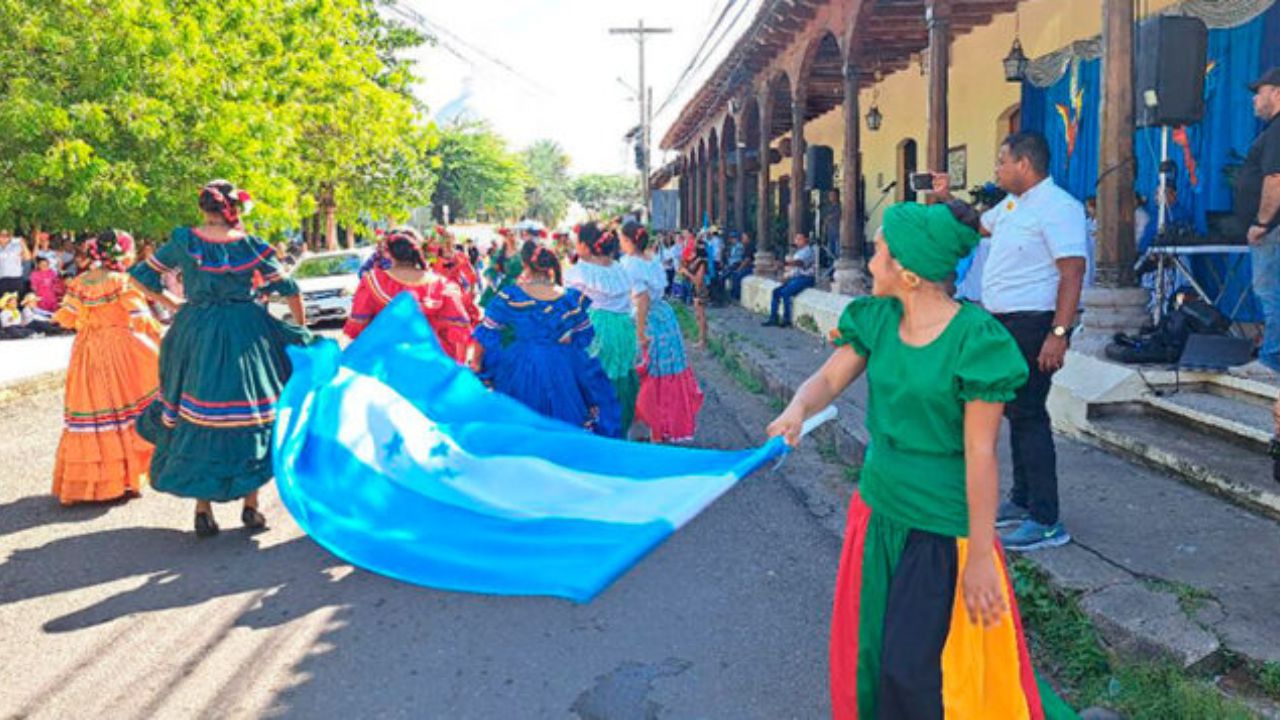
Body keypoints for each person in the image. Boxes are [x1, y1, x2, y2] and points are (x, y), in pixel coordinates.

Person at [766, 200, 1069, 719]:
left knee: (921, 674)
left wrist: (978, 558)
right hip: (880, 512)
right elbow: (830, 378)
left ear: (907, 272)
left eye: (880, 251)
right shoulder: (880, 320)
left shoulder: (976, 341)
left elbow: (980, 454)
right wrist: (797, 407)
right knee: (875, 656)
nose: (870, 260)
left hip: (941, 529)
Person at [130, 180, 310, 538]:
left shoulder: (184, 240)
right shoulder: (251, 246)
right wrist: (299, 334)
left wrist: (172, 304)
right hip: (245, 331)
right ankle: (251, 507)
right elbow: (290, 289)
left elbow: (140, 276)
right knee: (249, 415)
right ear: (234, 209)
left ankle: (202, 509)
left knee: (199, 414)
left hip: (194, 331)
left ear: (203, 209)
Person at [947, 130, 1085, 551]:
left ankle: (1047, 519)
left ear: (1024, 164)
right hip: (1004, 323)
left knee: (1028, 415)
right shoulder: (1011, 205)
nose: (997, 169)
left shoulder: (1059, 208)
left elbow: (1072, 273)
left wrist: (1058, 334)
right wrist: (943, 196)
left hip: (1034, 323)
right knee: (1014, 410)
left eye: (1002, 161)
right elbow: (977, 226)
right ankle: (1023, 500)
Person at [51, 229, 161, 504]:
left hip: (87, 350)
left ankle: (96, 483)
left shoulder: (79, 281)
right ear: (122, 251)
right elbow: (140, 317)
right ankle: (126, 478)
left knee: (94, 409)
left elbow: (66, 317)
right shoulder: (122, 281)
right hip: (119, 349)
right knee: (124, 408)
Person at [473, 240, 622, 438]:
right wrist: (567, 341)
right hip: (560, 364)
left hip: (521, 362)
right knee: (563, 421)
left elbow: (487, 331)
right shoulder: (569, 298)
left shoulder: (512, 295)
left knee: (521, 425)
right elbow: (584, 334)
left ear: (525, 265)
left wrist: (478, 363)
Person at [619, 221, 703, 442]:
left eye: (622, 239)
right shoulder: (651, 259)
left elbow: (642, 299)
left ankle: (646, 429)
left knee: (645, 374)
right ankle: (658, 429)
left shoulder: (630, 264)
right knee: (661, 373)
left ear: (628, 241)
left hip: (646, 319)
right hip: (664, 318)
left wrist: (639, 332)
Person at [344, 227, 474, 364]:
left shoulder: (372, 282)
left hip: (387, 367)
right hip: (432, 367)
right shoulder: (443, 287)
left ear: (388, 253)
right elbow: (459, 334)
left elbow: (359, 329)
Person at [564, 222, 640, 430]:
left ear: (587, 246)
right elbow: (628, 304)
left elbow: (568, 309)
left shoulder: (580, 272)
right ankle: (620, 430)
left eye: (577, 242)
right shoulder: (620, 269)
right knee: (620, 379)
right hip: (623, 331)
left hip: (594, 331)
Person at [1238, 67, 1280, 372]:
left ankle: (1271, 359)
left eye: (1260, 92)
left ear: (1276, 93)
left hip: (1273, 230)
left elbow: (1276, 178)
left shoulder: (1277, 131)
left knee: (1271, 292)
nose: (1255, 99)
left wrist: (1263, 222)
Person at [762, 233, 817, 328]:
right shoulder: (798, 252)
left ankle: (786, 319)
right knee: (776, 292)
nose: (797, 241)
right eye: (796, 239)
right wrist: (787, 276)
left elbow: (800, 263)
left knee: (786, 292)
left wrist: (786, 263)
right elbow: (795, 270)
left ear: (806, 240)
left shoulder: (808, 251)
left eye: (800, 239)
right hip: (797, 278)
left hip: (806, 278)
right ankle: (773, 318)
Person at [677, 233, 710, 348]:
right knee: (698, 315)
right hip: (695, 289)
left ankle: (703, 340)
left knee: (701, 316)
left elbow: (698, 281)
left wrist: (687, 273)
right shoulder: (695, 261)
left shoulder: (701, 263)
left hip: (700, 289)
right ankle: (702, 338)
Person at [0, 230, 30, 297]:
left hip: (16, 279)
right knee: (2, 303)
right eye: (2, 235)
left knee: (17, 301)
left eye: (6, 235)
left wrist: (23, 243)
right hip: (2, 280)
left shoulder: (16, 246)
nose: (4, 237)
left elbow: (27, 257)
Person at [727, 231, 755, 302]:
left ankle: (736, 296)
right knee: (733, 275)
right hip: (743, 266)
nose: (742, 239)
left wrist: (739, 269)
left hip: (750, 267)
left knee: (737, 276)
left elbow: (747, 260)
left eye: (744, 237)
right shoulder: (744, 247)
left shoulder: (749, 246)